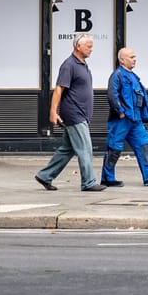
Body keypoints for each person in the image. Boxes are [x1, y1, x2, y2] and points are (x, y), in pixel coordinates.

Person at [35, 33, 102, 192]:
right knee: (85, 148)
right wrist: (53, 111)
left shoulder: (82, 64)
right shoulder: (69, 65)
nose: (91, 49)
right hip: (74, 114)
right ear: (78, 46)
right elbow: (59, 89)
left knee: (68, 149)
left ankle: (45, 176)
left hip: (81, 114)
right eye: (89, 46)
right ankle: (89, 182)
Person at [102, 46, 148, 188]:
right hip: (121, 120)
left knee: (144, 144)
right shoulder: (117, 75)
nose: (134, 59)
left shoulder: (134, 76)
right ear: (122, 60)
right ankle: (107, 178)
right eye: (131, 57)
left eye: (135, 57)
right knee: (114, 148)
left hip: (135, 120)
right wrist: (120, 111)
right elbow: (112, 95)